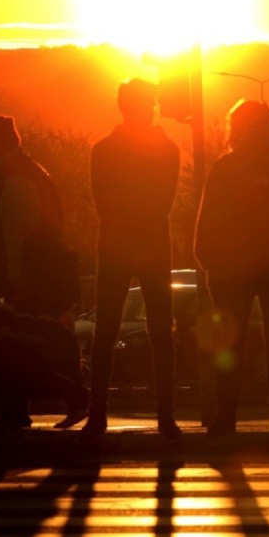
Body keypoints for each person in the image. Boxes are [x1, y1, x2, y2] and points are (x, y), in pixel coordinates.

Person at [194, 100, 269, 437]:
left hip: (239, 269)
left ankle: (229, 415)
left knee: (233, 343)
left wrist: (210, 261)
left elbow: (206, 224)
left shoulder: (226, 167)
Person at [81, 78, 182, 440]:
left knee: (106, 332)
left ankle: (98, 417)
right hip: (150, 244)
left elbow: (104, 204)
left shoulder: (104, 150)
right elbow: (163, 202)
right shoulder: (166, 150)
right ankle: (165, 416)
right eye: (149, 103)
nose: (152, 109)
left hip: (117, 246)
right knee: (158, 332)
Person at [0, 115, 89, 432]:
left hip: (31, 277)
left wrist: (14, 278)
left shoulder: (15, 180)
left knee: (23, 343)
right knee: (26, 344)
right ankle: (25, 407)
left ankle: (69, 397)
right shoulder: (34, 173)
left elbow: (16, 236)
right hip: (46, 273)